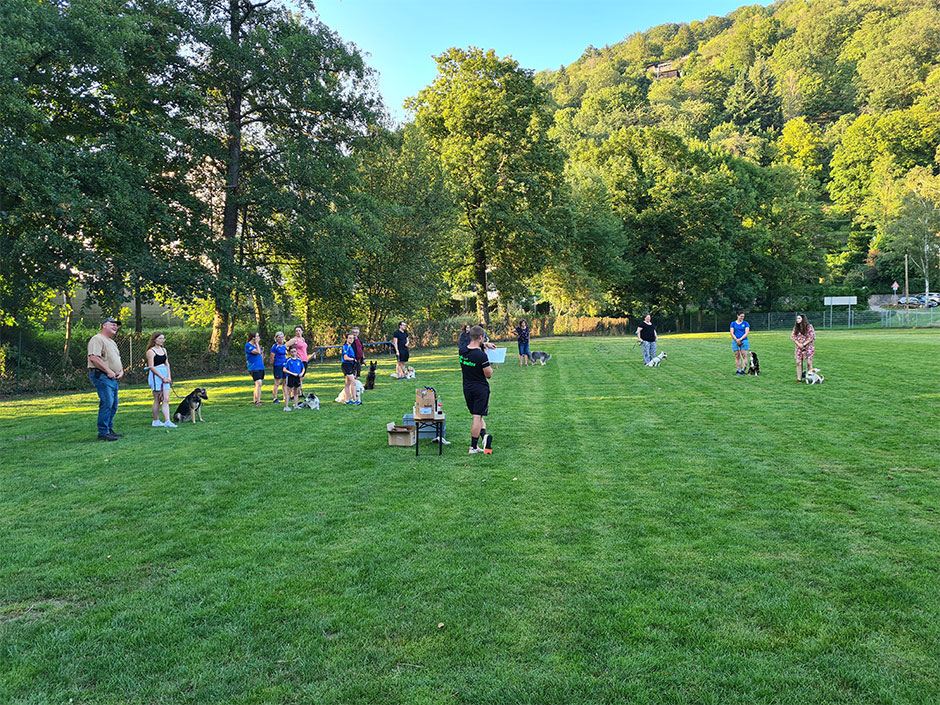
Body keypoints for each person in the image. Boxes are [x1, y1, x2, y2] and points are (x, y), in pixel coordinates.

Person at [459, 325, 494, 455]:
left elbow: (474, 346)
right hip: (480, 388)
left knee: (477, 415)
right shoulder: (481, 356)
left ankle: (484, 437)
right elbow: (488, 374)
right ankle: (473, 447)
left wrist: (485, 344)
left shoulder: (462, 351)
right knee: (477, 416)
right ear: (481, 336)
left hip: (467, 388)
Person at [87, 317, 124, 441]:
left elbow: (117, 359)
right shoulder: (97, 339)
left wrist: (121, 371)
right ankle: (103, 432)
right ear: (103, 326)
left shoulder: (112, 342)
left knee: (113, 405)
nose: (115, 327)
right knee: (107, 403)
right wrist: (108, 371)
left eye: (116, 325)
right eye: (112, 324)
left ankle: (109, 429)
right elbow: (94, 358)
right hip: (102, 376)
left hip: (112, 377)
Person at [145, 331, 176, 428]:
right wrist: (162, 377)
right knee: (158, 399)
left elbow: (167, 364)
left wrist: (169, 376)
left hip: (165, 373)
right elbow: (151, 367)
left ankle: (167, 421)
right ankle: (156, 420)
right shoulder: (150, 351)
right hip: (156, 375)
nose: (162, 340)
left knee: (166, 399)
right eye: (160, 338)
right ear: (154, 340)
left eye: (163, 338)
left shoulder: (164, 350)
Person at [790, 313, 816, 382]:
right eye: (797, 318)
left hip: (808, 347)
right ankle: (799, 378)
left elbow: (812, 337)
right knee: (798, 362)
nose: (797, 320)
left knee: (809, 363)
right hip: (799, 348)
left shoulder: (809, 327)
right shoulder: (796, 328)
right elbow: (793, 337)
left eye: (799, 318)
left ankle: (810, 378)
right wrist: (799, 344)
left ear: (803, 319)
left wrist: (804, 344)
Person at [286, 326, 309, 394]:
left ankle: (299, 392)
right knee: (297, 377)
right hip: (298, 360)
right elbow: (286, 345)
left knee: (302, 377)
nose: (298, 332)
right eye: (296, 331)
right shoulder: (294, 340)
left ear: (302, 331)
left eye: (299, 330)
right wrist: (292, 352)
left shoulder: (303, 339)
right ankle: (294, 393)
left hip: (305, 359)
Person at [282, 344, 305, 410]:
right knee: (288, 391)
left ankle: (296, 405)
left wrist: (301, 373)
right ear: (289, 352)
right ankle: (286, 406)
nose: (293, 353)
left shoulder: (299, 360)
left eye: (294, 351)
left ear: (297, 351)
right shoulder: (288, 360)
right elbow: (284, 369)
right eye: (292, 352)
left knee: (296, 391)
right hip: (290, 377)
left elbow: (303, 368)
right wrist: (292, 373)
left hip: (297, 377)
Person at [245, 331, 265, 405]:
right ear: (253, 338)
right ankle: (258, 401)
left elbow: (261, 354)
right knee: (258, 382)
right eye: (257, 336)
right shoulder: (248, 345)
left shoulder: (257, 346)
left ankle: (255, 400)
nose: (259, 337)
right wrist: (257, 343)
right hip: (253, 367)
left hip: (260, 366)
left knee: (258, 384)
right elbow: (257, 352)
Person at [341, 333, 361, 405]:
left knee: (347, 383)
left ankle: (347, 400)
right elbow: (345, 357)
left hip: (350, 365)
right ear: (346, 339)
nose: (351, 339)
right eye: (349, 338)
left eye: (352, 338)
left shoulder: (351, 347)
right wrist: (353, 359)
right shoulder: (346, 347)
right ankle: (354, 400)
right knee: (353, 382)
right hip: (346, 365)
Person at [269, 331, 287, 404]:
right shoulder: (274, 347)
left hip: (284, 365)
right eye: (279, 337)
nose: (281, 339)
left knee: (285, 382)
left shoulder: (284, 346)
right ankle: (275, 398)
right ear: (276, 338)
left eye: (282, 337)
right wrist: (274, 365)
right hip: (278, 365)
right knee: (277, 382)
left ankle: (285, 396)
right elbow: (272, 358)